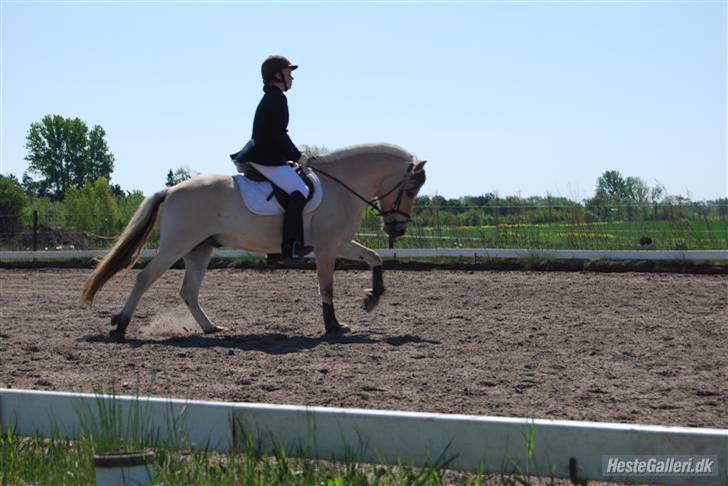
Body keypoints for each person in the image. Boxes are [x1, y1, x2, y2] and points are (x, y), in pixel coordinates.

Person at [231, 55, 312, 260]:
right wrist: (298, 157)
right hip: (265, 156)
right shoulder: (277, 97)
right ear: (277, 75)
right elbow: (278, 134)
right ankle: (289, 246)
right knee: (300, 190)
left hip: (265, 153)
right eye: (289, 74)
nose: (292, 78)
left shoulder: (273, 96)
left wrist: (291, 158)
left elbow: (276, 135)